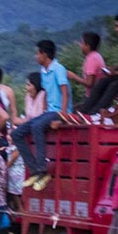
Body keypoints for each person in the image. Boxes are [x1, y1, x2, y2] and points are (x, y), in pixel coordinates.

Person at [13, 40, 73, 192]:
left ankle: (42, 169)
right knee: (16, 133)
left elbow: (65, 93)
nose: (36, 56)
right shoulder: (43, 71)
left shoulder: (58, 69)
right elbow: (47, 95)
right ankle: (34, 170)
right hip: (49, 112)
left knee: (37, 125)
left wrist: (63, 116)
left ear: (44, 54)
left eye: (37, 53)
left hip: (59, 111)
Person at [68, 32, 106, 98]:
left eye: (82, 43)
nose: (80, 45)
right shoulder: (96, 56)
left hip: (94, 97)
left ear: (87, 46)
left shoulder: (92, 59)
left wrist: (73, 76)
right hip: (98, 94)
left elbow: (90, 83)